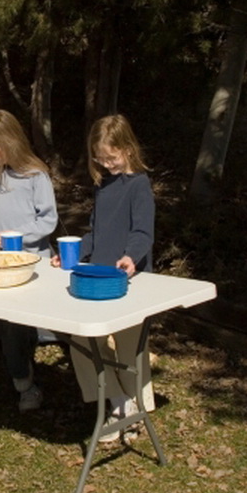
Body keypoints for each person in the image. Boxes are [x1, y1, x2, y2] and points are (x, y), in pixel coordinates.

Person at [51, 114, 155, 441]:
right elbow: (97, 234)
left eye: (112, 157)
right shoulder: (103, 185)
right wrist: (74, 252)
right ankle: (117, 401)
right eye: (100, 157)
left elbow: (142, 231)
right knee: (84, 340)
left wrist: (130, 256)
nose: (107, 163)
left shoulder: (139, 184)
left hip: (130, 277)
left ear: (128, 148)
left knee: (129, 345)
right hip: (98, 277)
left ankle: (139, 406)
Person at [0, 110, 58, 411]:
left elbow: (47, 222)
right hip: (4, 265)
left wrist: (17, 236)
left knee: (26, 326)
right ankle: (24, 383)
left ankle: (32, 374)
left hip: (33, 265)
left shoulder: (37, 176)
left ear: (9, 141)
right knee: (10, 326)